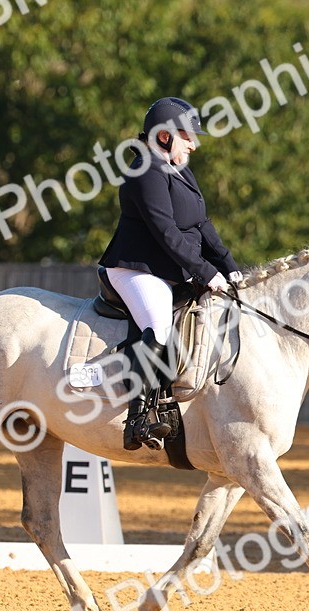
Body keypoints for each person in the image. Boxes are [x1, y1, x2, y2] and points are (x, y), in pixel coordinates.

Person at [99, 97, 240, 450]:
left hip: (170, 269)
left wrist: (231, 268)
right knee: (159, 325)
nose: (195, 143)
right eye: (188, 136)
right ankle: (138, 418)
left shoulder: (178, 169)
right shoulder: (144, 171)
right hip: (136, 270)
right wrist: (207, 273)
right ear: (164, 137)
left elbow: (201, 225)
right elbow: (167, 233)